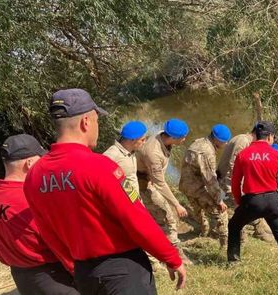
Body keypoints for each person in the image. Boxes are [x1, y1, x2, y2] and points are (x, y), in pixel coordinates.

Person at [23, 88, 185, 294]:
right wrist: (170, 257)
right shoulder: (100, 166)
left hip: (84, 273)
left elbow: (47, 232)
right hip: (123, 271)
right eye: (97, 121)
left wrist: (74, 266)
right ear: (86, 122)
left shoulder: (34, 175)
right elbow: (136, 218)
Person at [0, 134, 78, 295]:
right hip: (52, 277)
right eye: (40, 158)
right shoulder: (31, 197)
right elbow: (59, 241)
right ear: (29, 163)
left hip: (20, 277)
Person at [228, 121, 278, 267]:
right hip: (272, 200)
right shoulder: (277, 155)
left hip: (252, 200)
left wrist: (239, 202)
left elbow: (235, 183)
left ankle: (234, 262)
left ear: (256, 135)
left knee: (234, 226)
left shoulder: (243, 154)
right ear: (270, 137)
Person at [136, 118, 190, 262]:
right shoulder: (153, 153)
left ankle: (160, 249)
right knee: (168, 217)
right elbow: (159, 183)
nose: (184, 139)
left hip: (150, 180)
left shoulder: (162, 135)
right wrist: (177, 204)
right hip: (142, 185)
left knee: (157, 218)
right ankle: (175, 254)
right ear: (172, 137)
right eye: (182, 137)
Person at [217, 126, 273, 242]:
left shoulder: (246, 141)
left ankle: (259, 226)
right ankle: (251, 233)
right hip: (227, 180)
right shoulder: (243, 141)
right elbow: (234, 164)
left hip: (231, 178)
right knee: (246, 204)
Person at [179, 124, 231, 247]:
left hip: (186, 185)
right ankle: (225, 246)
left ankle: (204, 231)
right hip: (196, 188)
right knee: (221, 213)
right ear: (217, 140)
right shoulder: (206, 152)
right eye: (225, 141)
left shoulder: (199, 142)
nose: (226, 143)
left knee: (197, 210)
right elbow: (210, 180)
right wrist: (219, 200)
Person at [103, 121, 148, 196]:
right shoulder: (112, 155)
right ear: (132, 140)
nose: (144, 142)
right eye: (142, 140)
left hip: (133, 198)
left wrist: (136, 200)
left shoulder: (130, 152)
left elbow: (126, 180)